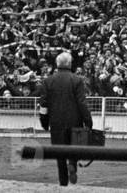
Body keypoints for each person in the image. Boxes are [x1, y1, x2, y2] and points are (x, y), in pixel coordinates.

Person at [38, 51, 93, 186]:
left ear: (57, 64)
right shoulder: (77, 80)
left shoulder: (47, 81)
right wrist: (88, 121)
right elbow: (82, 103)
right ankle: (73, 164)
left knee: (59, 154)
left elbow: (43, 105)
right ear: (70, 64)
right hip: (75, 122)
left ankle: (63, 183)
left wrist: (44, 122)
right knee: (74, 147)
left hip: (56, 123)